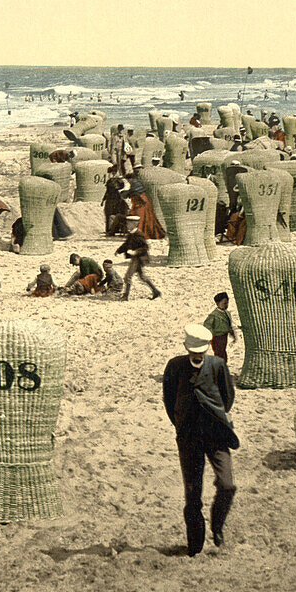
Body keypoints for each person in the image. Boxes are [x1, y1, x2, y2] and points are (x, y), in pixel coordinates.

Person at [162, 324, 239, 557]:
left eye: (201, 351)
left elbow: (227, 397)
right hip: (189, 438)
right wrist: (182, 425)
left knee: (227, 485)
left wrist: (214, 418)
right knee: (193, 493)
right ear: (187, 349)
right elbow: (169, 400)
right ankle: (194, 544)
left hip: (216, 435)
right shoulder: (175, 367)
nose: (197, 355)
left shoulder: (217, 366)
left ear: (206, 350)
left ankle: (217, 526)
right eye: (193, 351)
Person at [114, 217, 160, 301]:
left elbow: (145, 247)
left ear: (135, 224)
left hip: (139, 258)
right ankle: (155, 291)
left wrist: (135, 252)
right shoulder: (131, 233)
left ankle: (125, 296)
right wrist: (118, 251)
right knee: (142, 276)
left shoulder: (138, 234)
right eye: (127, 223)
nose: (127, 225)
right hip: (136, 258)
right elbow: (126, 244)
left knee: (128, 276)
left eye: (129, 223)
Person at [202, 292, 237, 362]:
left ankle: (222, 367)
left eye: (227, 303)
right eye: (224, 303)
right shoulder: (214, 315)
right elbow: (207, 325)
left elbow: (228, 324)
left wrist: (232, 333)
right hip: (216, 337)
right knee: (219, 354)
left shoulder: (227, 313)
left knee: (223, 352)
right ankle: (219, 368)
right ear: (218, 303)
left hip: (224, 337)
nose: (226, 305)